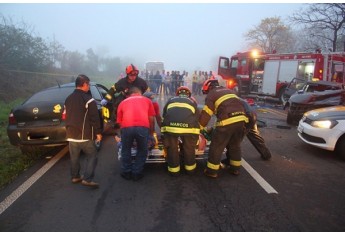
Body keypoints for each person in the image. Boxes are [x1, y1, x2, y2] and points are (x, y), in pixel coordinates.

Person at [199, 79, 248, 178]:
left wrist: (198, 128)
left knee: (217, 146)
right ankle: (235, 169)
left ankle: (211, 171)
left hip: (226, 122)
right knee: (235, 145)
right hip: (241, 121)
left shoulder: (212, 94)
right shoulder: (229, 91)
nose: (206, 94)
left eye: (206, 92)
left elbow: (206, 114)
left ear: (209, 88)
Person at [64, 74, 102, 188]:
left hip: (71, 134)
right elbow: (94, 118)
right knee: (92, 155)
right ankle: (87, 179)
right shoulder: (89, 100)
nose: (89, 87)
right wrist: (98, 133)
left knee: (74, 157)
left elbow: (66, 115)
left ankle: (75, 177)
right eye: (88, 84)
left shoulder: (68, 99)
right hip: (84, 135)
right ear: (84, 84)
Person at [117, 86, 156, 181]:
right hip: (143, 128)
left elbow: (119, 122)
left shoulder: (122, 102)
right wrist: (151, 133)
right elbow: (151, 119)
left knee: (125, 149)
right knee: (142, 150)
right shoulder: (147, 101)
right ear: (140, 93)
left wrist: (122, 134)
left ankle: (126, 172)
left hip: (126, 127)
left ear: (129, 94)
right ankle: (136, 173)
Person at [161, 86, 200, 176]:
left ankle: (174, 171)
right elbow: (197, 117)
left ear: (178, 94)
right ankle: (190, 170)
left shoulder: (171, 100)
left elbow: (164, 115)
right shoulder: (192, 101)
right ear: (188, 94)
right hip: (189, 128)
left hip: (170, 128)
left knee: (172, 147)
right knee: (189, 147)